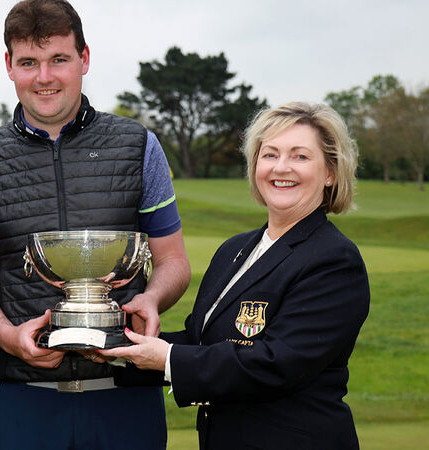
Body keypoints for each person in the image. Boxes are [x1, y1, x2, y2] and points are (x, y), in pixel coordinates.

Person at [0, 1, 191, 448]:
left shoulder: (139, 145)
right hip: (26, 403)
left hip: (127, 398)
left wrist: (153, 298)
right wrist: (10, 338)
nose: (44, 77)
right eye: (29, 62)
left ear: (84, 58)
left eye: (58, 59)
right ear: (9, 65)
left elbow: (173, 260)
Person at [101, 102, 370, 449]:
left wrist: (167, 358)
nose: (281, 167)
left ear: (330, 172)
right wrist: (115, 344)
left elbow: (275, 365)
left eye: (300, 156)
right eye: (269, 154)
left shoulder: (334, 260)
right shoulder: (235, 249)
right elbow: (203, 343)